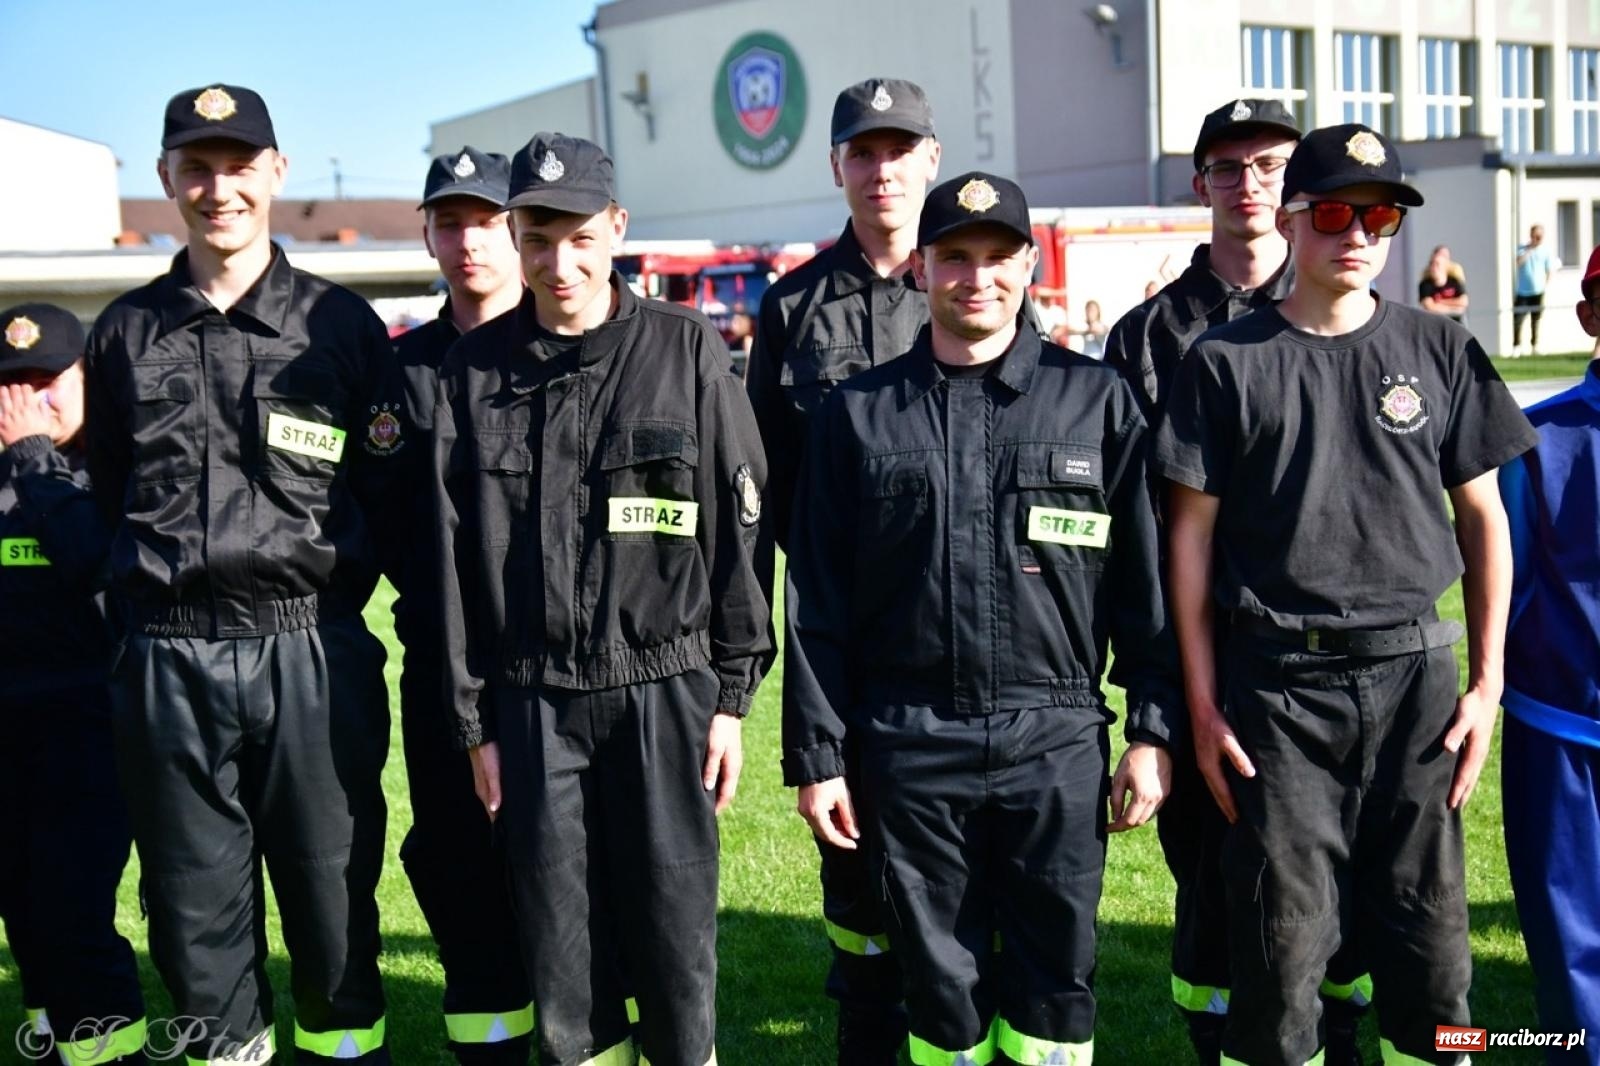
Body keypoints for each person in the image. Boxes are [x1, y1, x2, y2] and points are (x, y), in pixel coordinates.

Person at [1155, 123, 1537, 1066]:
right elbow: (1188, 544)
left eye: (1380, 215)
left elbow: (1486, 522)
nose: (1358, 234)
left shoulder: (1438, 348)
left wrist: (1485, 685)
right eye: (1333, 213)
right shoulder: (1225, 361)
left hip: (1417, 685)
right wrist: (1202, 705)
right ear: (1291, 221)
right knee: (1282, 959)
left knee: (1434, 955)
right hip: (1279, 689)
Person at [785, 170, 1180, 1065]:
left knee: (1055, 986)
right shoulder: (858, 415)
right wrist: (818, 759)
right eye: (954, 258)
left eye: (997, 257)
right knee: (941, 991)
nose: (977, 277)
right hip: (910, 742)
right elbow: (816, 600)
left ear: (1028, 264)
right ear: (921, 268)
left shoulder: (1097, 402)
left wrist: (1152, 732)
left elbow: (1145, 589)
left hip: (1057, 737)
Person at [432, 132, 771, 1066]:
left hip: (664, 691)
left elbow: (738, 535)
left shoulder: (687, 352)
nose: (558, 261)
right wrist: (476, 725)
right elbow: (454, 560)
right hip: (532, 700)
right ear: (515, 234)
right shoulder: (473, 375)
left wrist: (732, 701)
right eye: (537, 238)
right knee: (563, 961)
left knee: (673, 949)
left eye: (579, 236)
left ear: (616, 228)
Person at [83, 85, 401, 1063]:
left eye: (238, 164)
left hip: (310, 650)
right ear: (167, 177)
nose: (218, 187)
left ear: (276, 171)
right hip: (166, 659)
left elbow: (387, 501)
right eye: (197, 165)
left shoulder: (341, 328)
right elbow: (105, 500)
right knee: (192, 912)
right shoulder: (125, 334)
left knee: (331, 906)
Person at [1106, 100, 1368, 1066]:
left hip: (1323, 658)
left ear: (1298, 185)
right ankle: (1212, 1041)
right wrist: (1157, 701)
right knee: (1212, 881)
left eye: (1270, 165)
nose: (1248, 182)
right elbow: (1137, 522)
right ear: (1199, 183)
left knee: (1336, 880)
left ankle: (1340, 1034)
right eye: (1228, 165)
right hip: (1201, 647)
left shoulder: (1347, 313)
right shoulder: (1147, 337)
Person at [744, 76, 941, 1064]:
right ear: (836, 168)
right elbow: (763, 489)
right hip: (844, 644)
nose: (881, 169)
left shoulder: (978, 283)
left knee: (958, 894)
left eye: (899, 149)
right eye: (862, 152)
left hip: (959, 638)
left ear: (930, 163)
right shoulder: (790, 308)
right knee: (857, 891)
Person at [390, 148, 533, 1064]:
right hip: (438, 665)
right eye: (451, 221)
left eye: (486, 220)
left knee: (569, 875)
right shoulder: (399, 371)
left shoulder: (562, 347)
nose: (469, 241)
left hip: (551, 666)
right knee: (455, 861)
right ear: (429, 232)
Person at [0, 304, 147, 1065]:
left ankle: (107, 1051)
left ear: (89, 380)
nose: (27, 403)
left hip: (87, 727)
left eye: (47, 382)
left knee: (70, 916)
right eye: (11, 386)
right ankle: (52, 1041)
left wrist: (31, 454)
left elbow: (97, 564)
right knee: (25, 914)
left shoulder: (116, 470)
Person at [1498, 243, 1600, 1063]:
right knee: (1572, 941)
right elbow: (1510, 586)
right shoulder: (1540, 439)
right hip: (1565, 727)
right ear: (1590, 317)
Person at [1513, 224, 1559, 356]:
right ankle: (1516, 346)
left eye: (1539, 237)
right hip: (1523, 292)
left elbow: (1549, 269)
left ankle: (1534, 346)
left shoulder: (1545, 251)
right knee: (1518, 319)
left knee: (1536, 320)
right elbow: (1518, 262)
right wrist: (1530, 249)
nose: (1537, 239)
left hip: (1538, 292)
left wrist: (1545, 285)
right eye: (1535, 236)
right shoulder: (1522, 249)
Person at [1418, 245, 1469, 323]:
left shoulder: (1455, 281)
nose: (1434, 268)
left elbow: (1463, 302)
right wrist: (1454, 308)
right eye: (1431, 264)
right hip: (1434, 323)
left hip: (1456, 322)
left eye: (1437, 264)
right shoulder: (1425, 284)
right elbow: (1429, 306)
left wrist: (1439, 302)